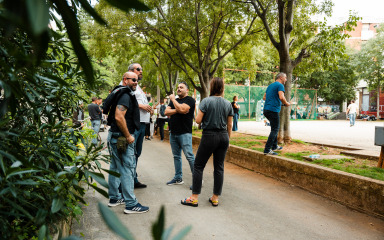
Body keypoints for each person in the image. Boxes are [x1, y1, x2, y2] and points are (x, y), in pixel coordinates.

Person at [181, 77, 233, 207]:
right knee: (219, 167)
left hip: (209, 135)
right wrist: (228, 139)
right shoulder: (228, 104)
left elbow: (198, 121)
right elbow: (230, 125)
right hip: (224, 136)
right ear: (222, 88)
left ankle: (194, 197)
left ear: (211, 87)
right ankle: (215, 198)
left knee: (198, 166)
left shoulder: (206, 101)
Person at [107, 71, 149, 214]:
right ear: (125, 80)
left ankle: (114, 198)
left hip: (114, 136)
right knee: (127, 169)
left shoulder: (119, 93)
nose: (135, 82)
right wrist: (128, 136)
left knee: (115, 167)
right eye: (133, 80)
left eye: (137, 80)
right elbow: (119, 117)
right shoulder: (125, 95)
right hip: (122, 138)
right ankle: (131, 204)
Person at [165, 82, 196, 186]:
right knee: (176, 156)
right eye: (178, 87)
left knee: (189, 156)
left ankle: (197, 179)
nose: (179, 89)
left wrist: (173, 100)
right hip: (173, 133)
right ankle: (178, 178)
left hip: (185, 133)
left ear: (187, 90)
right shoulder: (177, 101)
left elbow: (183, 109)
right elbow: (166, 112)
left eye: (181, 87)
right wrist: (178, 110)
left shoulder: (190, 100)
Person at [129, 63, 151, 189]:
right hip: (135, 124)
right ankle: (128, 182)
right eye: (139, 69)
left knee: (137, 153)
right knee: (131, 154)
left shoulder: (138, 87)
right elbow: (128, 101)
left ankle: (134, 178)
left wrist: (148, 108)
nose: (141, 71)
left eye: (142, 69)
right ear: (131, 71)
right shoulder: (128, 85)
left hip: (142, 124)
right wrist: (141, 106)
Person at [262, 72, 290, 155]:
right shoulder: (280, 85)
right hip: (273, 110)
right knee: (275, 129)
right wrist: (286, 103)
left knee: (274, 128)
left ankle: (274, 146)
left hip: (266, 110)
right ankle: (267, 149)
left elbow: (264, 98)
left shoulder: (270, 85)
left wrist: (277, 102)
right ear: (281, 77)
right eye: (285, 77)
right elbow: (281, 97)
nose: (286, 79)